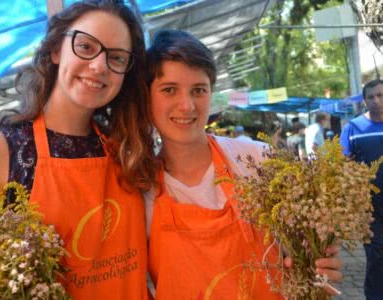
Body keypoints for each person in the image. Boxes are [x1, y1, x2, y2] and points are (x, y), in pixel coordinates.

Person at [0, 1, 157, 298]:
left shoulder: (125, 148)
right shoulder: (1, 150)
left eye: (117, 57)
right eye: (86, 46)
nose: (99, 65)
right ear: (57, 50)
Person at [144, 29, 342, 299]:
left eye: (199, 90)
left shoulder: (257, 161)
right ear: (146, 98)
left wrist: (319, 261)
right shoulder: (139, 191)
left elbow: (306, 248)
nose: (187, 105)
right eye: (169, 90)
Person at [340, 78, 383, 300]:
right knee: (376, 257)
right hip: (369, 208)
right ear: (365, 101)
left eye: (380, 95)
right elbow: (343, 163)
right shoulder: (354, 128)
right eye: (371, 97)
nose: (376, 101)